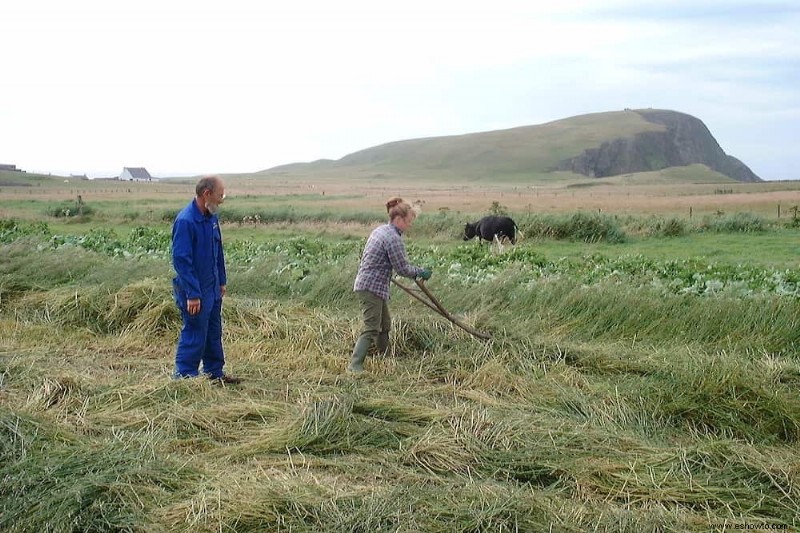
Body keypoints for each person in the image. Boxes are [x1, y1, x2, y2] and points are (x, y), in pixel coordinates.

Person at [348, 197, 432, 373]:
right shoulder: (393, 238)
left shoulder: (381, 230)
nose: (409, 225)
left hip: (373, 286)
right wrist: (420, 272)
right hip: (370, 287)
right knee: (371, 327)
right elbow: (402, 268)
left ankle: (383, 357)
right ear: (399, 219)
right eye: (408, 221)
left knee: (385, 324)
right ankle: (354, 366)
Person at [171, 175, 241, 384]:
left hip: (212, 287)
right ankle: (185, 378)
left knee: (213, 331)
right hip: (195, 290)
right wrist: (193, 294)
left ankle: (214, 373)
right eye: (220, 195)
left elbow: (217, 252)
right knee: (195, 332)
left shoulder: (211, 219)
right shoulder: (186, 221)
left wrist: (221, 281)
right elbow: (182, 260)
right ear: (206, 194)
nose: (222, 200)